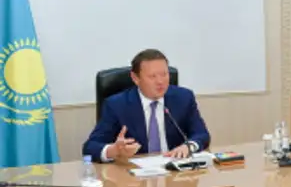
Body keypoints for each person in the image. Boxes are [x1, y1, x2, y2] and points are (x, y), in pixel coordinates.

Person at [83, 49, 211, 162]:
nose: (160, 81)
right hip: (134, 175)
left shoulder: (183, 98)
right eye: (152, 76)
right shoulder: (116, 105)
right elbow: (90, 147)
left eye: (164, 74)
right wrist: (114, 150)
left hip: (175, 172)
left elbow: (202, 135)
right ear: (135, 78)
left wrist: (189, 146)